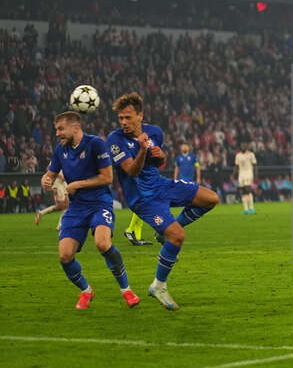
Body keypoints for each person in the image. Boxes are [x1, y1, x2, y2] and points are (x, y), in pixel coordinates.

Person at [107, 92, 219, 310]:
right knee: (177, 236)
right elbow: (131, 171)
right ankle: (158, 285)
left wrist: (159, 155)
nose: (123, 122)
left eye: (128, 117)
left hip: (161, 185)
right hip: (143, 199)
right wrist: (141, 149)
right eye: (120, 118)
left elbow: (159, 161)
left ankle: (161, 233)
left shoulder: (155, 132)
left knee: (211, 199)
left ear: (140, 116)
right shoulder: (115, 140)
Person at [41, 111, 140, 309]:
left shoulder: (95, 144)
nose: (58, 134)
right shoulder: (60, 150)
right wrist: (46, 179)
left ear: (75, 127)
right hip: (76, 208)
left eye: (61, 129)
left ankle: (126, 290)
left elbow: (107, 178)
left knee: (102, 244)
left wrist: (77, 184)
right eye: (56, 130)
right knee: (65, 255)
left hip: (99, 203)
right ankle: (86, 291)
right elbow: (50, 173)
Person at [234, 143, 257, 215]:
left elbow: (255, 165)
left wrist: (256, 175)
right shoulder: (238, 155)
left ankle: (251, 208)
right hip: (241, 175)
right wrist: (234, 174)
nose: (243, 147)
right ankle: (246, 209)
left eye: (244, 146)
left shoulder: (251, 154)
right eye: (242, 146)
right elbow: (236, 166)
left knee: (248, 190)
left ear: (247, 147)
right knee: (243, 191)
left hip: (249, 174)